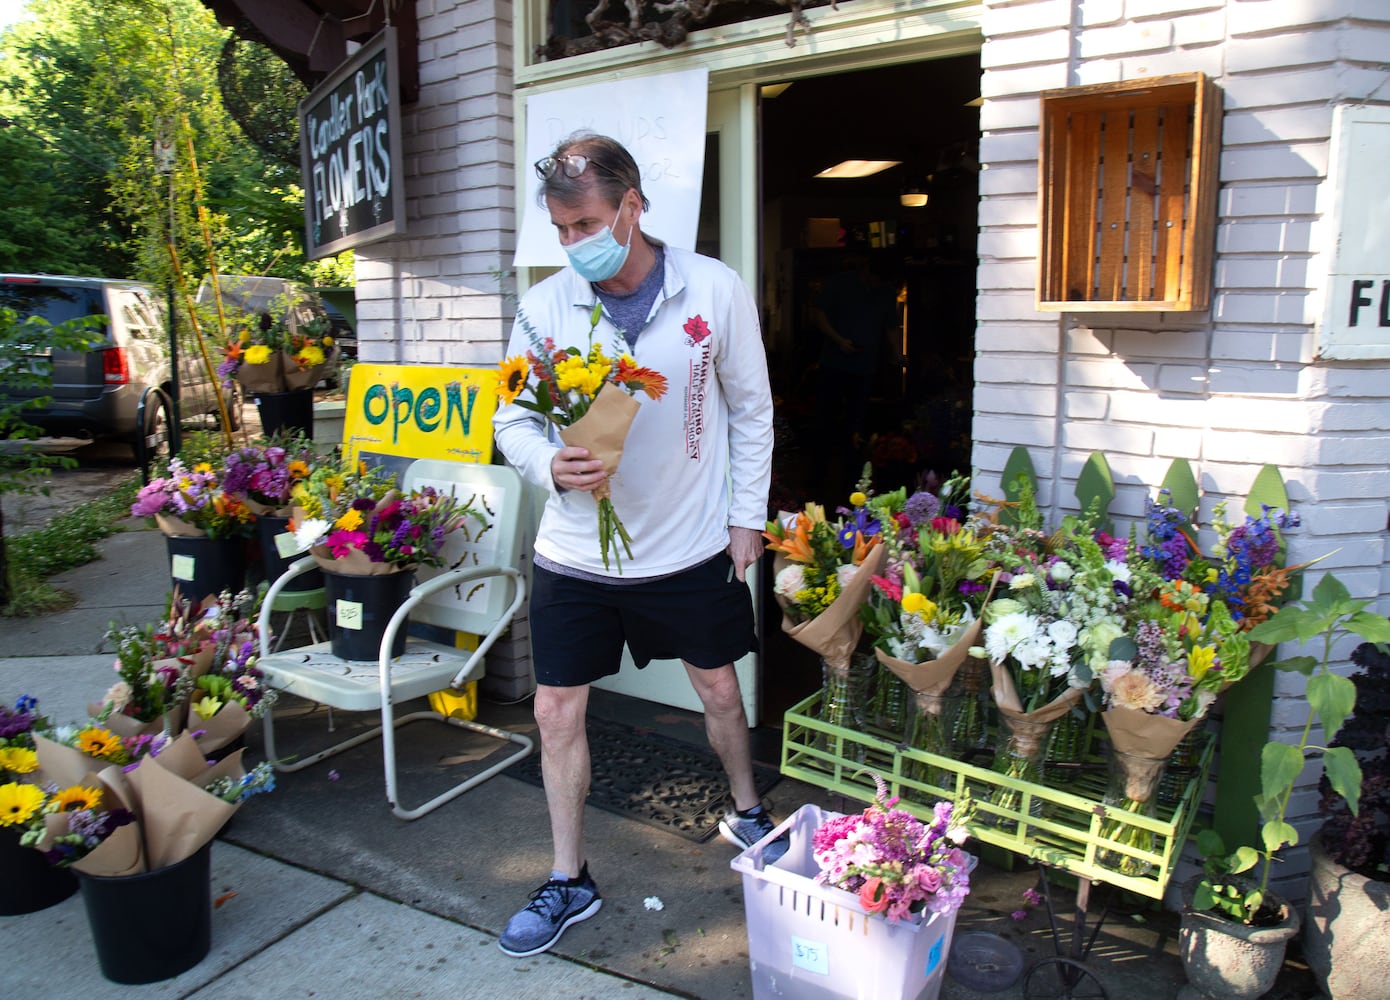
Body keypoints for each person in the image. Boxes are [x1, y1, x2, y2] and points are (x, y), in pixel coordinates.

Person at [492, 132, 785, 959]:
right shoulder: (544, 307)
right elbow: (509, 416)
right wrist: (549, 460)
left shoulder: (713, 289)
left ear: (633, 205)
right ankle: (567, 876)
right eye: (561, 230)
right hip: (577, 553)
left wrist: (746, 517)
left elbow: (752, 410)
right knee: (555, 710)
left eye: (587, 223)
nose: (575, 244)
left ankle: (744, 805)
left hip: (690, 542)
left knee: (720, 690)